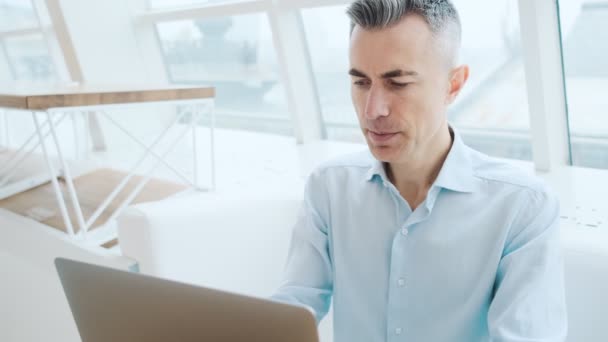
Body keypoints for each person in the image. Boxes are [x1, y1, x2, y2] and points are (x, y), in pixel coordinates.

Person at [271, 0, 567, 341]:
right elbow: (291, 310)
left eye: (398, 83)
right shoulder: (329, 187)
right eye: (361, 82)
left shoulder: (522, 207)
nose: (373, 110)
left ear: (453, 85)